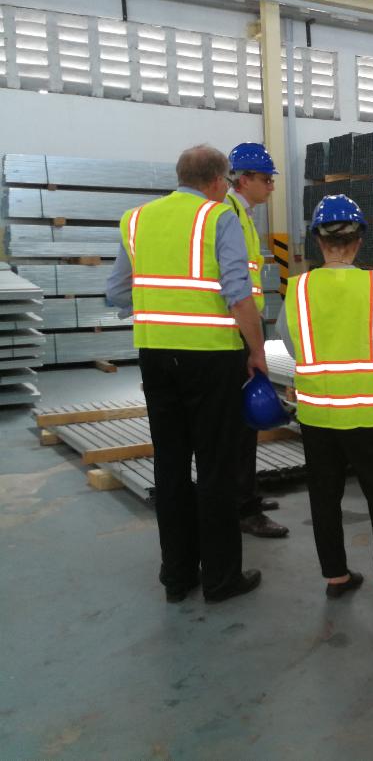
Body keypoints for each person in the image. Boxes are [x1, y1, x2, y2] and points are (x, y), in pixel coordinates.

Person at [106, 144, 264, 603]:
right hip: (212, 359)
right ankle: (221, 579)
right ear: (218, 181)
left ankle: (177, 575)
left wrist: (159, 310)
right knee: (215, 466)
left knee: (170, 464)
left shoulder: (136, 219)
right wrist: (255, 350)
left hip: (155, 355)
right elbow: (238, 294)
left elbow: (116, 291)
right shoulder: (219, 218)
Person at [276, 195, 373, 608]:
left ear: (317, 239)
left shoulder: (297, 290)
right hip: (369, 411)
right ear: (360, 239)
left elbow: (292, 344)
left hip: (317, 413)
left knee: (324, 496)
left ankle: (337, 576)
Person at [225, 142, 289, 539]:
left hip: (241, 329)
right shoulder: (229, 216)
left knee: (245, 425)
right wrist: (255, 347)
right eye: (266, 179)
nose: (271, 187)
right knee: (238, 426)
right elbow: (236, 288)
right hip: (233, 335)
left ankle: (247, 493)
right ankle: (244, 508)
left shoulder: (242, 215)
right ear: (243, 179)